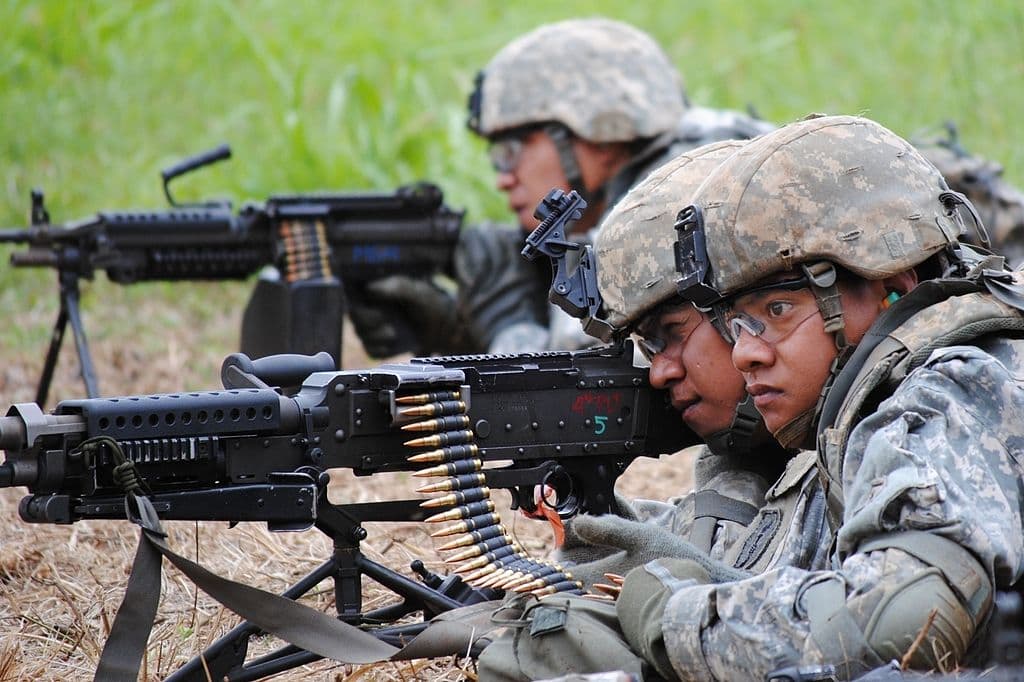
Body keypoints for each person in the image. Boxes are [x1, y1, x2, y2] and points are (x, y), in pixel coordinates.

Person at [479, 114, 1024, 681]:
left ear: (892, 288)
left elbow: (906, 615)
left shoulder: (956, 388)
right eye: (736, 325)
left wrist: (673, 618)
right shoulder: (875, 408)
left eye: (777, 312)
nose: (746, 355)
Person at [476, 141, 831, 681]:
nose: (660, 373)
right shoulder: (750, 459)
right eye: (648, 348)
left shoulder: (882, 430)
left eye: (673, 336)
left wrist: (652, 574)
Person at [346, 18, 774, 358]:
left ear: (599, 133)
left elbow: (575, 383)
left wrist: (505, 320)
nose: (503, 176)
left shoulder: (675, 196)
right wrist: (452, 326)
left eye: (513, 149)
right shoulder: (693, 155)